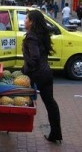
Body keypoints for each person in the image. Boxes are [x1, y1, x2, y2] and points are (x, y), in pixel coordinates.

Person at [21, 10, 62, 144]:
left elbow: (35, 58)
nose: (24, 20)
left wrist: (26, 70)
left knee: (17, 94)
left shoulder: (31, 36)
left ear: (32, 22)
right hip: (46, 73)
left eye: (26, 18)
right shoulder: (42, 34)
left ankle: (10, 124)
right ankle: (55, 134)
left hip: (38, 74)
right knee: (51, 104)